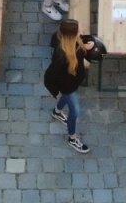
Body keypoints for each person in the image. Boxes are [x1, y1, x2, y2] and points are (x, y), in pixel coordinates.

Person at [45, 19, 105, 155]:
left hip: (73, 82)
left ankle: (57, 111)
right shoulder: (63, 56)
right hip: (68, 86)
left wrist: (85, 46)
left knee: (67, 99)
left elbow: (79, 45)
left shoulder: (67, 40)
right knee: (75, 111)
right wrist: (54, 90)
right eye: (78, 30)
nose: (81, 31)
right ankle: (72, 138)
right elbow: (50, 74)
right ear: (71, 35)